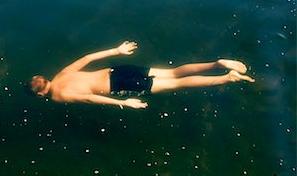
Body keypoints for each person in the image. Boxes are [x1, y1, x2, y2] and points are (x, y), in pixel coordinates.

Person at [25, 41, 255, 109]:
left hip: (120, 84)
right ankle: (217, 64)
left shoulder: (57, 95)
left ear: (39, 94)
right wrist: (117, 50)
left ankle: (227, 78)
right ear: (44, 78)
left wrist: (123, 103)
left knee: (175, 84)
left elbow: (89, 98)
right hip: (119, 70)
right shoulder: (62, 74)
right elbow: (88, 58)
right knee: (173, 72)